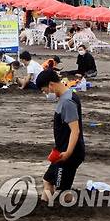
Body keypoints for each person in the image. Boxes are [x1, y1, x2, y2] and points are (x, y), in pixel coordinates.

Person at [36, 69, 85, 202]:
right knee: (48, 180)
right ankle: (46, 208)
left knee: (62, 191)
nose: (45, 93)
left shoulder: (67, 101)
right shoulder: (66, 95)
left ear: (51, 85)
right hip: (62, 150)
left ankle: (62, 213)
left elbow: (75, 130)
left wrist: (68, 153)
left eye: (44, 90)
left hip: (70, 153)